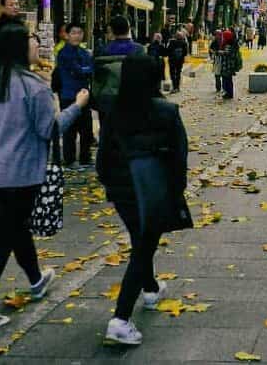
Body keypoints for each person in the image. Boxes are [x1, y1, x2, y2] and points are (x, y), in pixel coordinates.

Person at [0, 23, 89, 330]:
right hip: (22, 173)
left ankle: (37, 280)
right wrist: (78, 107)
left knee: (14, 227)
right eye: (31, 41)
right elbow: (50, 129)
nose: (37, 45)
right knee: (3, 237)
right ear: (18, 48)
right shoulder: (33, 86)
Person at [97, 54, 191, 346]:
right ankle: (121, 319)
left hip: (121, 190)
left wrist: (112, 184)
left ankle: (151, 289)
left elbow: (102, 160)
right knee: (143, 247)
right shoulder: (166, 112)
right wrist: (175, 192)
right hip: (154, 191)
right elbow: (179, 159)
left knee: (141, 240)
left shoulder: (112, 112)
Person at [55, 23, 95, 167]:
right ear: (67, 35)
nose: (77, 36)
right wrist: (86, 69)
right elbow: (79, 70)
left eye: (79, 32)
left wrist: (86, 69)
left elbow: (91, 69)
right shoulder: (64, 53)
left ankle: (85, 156)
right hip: (68, 94)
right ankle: (69, 158)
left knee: (86, 128)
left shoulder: (84, 53)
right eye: (73, 33)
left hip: (84, 93)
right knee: (69, 128)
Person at [220, 29, 242, 99]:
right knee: (228, 80)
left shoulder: (228, 45)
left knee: (227, 80)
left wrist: (220, 52)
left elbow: (227, 53)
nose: (222, 38)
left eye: (224, 36)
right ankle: (229, 93)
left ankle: (228, 93)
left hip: (227, 66)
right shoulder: (232, 44)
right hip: (229, 65)